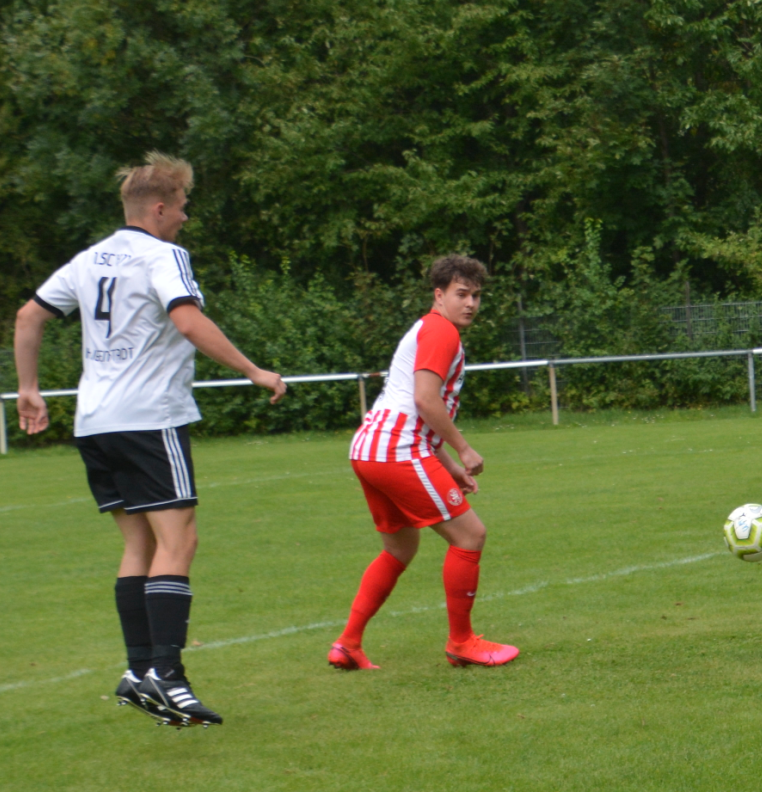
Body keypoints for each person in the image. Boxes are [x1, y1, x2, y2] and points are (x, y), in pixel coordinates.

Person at [12, 152, 287, 727]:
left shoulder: (89, 259)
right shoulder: (165, 256)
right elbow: (187, 320)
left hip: (95, 420)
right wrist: (253, 370)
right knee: (178, 542)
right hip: (148, 418)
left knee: (139, 546)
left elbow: (28, 317)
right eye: (182, 207)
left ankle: (140, 673)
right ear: (159, 208)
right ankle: (169, 674)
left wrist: (29, 389)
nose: (185, 217)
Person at [330, 255, 520, 670]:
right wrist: (464, 449)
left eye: (476, 295)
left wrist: (450, 467)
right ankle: (462, 642)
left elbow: (414, 411)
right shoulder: (441, 330)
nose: (470, 303)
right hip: (397, 449)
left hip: (370, 448)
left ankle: (348, 643)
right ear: (439, 295)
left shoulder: (427, 328)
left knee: (400, 547)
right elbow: (425, 400)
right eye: (461, 294)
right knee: (470, 535)